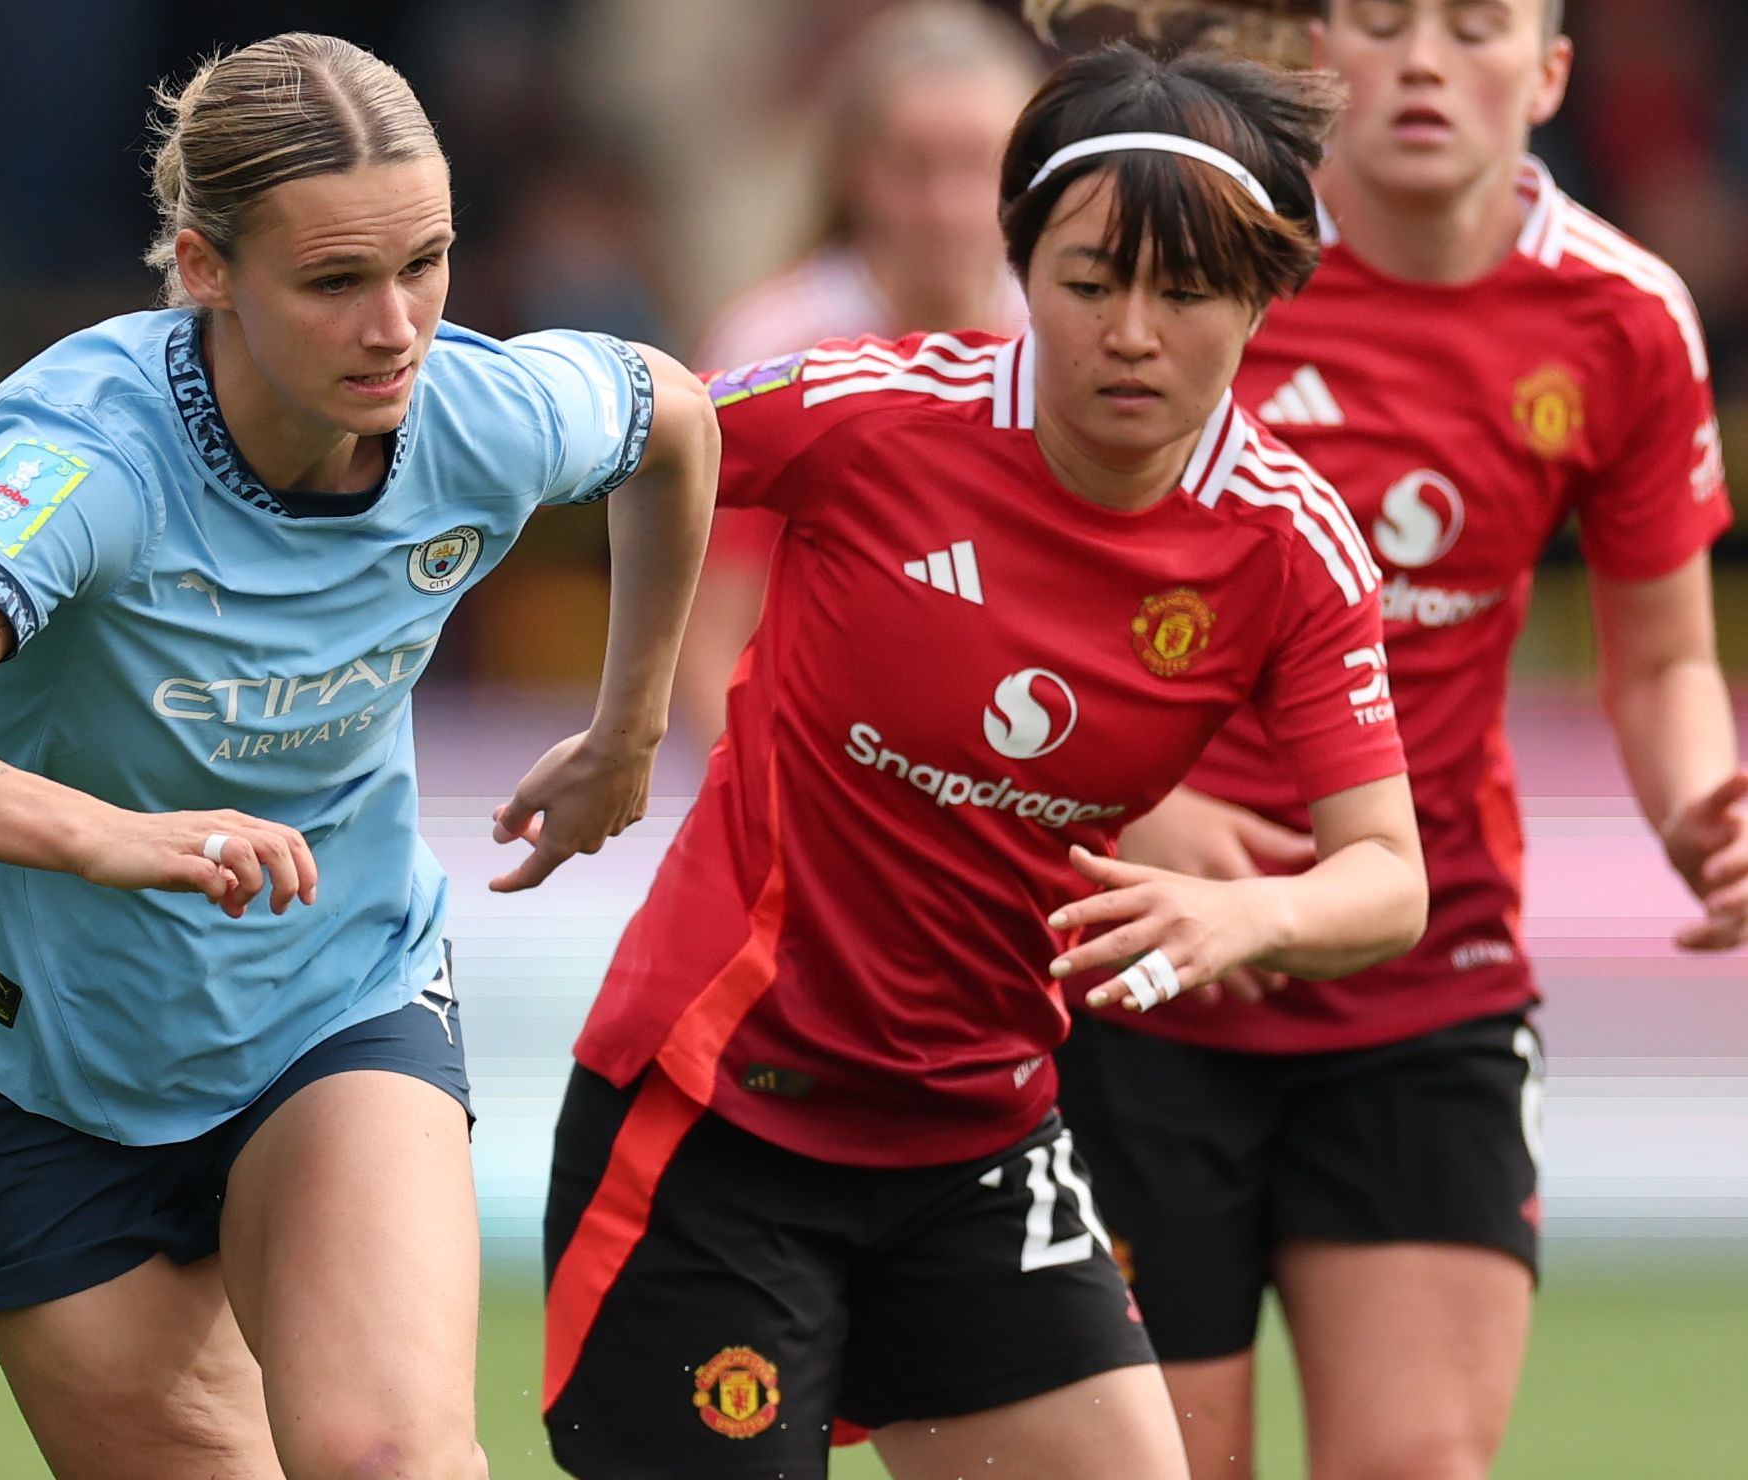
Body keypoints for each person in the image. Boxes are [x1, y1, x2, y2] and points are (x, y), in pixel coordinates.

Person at [0, 33, 720, 1480]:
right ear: (203, 268)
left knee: (386, 1456)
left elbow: (676, 421)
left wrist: (625, 730)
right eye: (334, 281)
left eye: (427, 262)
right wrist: (101, 833)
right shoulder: (94, 459)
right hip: (31, 1051)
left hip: (334, 991)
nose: (396, 327)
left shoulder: (481, 413)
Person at [542, 44, 1426, 1480]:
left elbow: (1385, 879)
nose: (1129, 333)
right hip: (714, 1125)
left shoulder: (1288, 543)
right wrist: (627, 722)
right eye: (1086, 284)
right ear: (1019, 267)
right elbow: (650, 430)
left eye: (1186, 291)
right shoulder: (878, 412)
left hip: (976, 1145)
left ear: (1261, 301)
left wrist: (1245, 913)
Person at [1042, 3, 1747, 1478]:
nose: (1422, 60)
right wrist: (1120, 811)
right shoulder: (1193, 264)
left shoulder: (1619, 317)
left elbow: (1663, 659)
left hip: (1423, 976)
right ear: (1311, 58)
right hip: (1139, 965)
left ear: (1549, 73)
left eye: (1475, 27)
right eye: (1377, 20)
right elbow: (1027, 577)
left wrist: (1703, 805)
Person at [674, 0, 1043, 746]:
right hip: (815, 771)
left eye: (977, 165)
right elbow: (709, 626)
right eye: (910, 167)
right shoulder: (773, 349)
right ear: (851, 171)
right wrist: (761, 818)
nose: (943, 208)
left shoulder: (1067, 340)